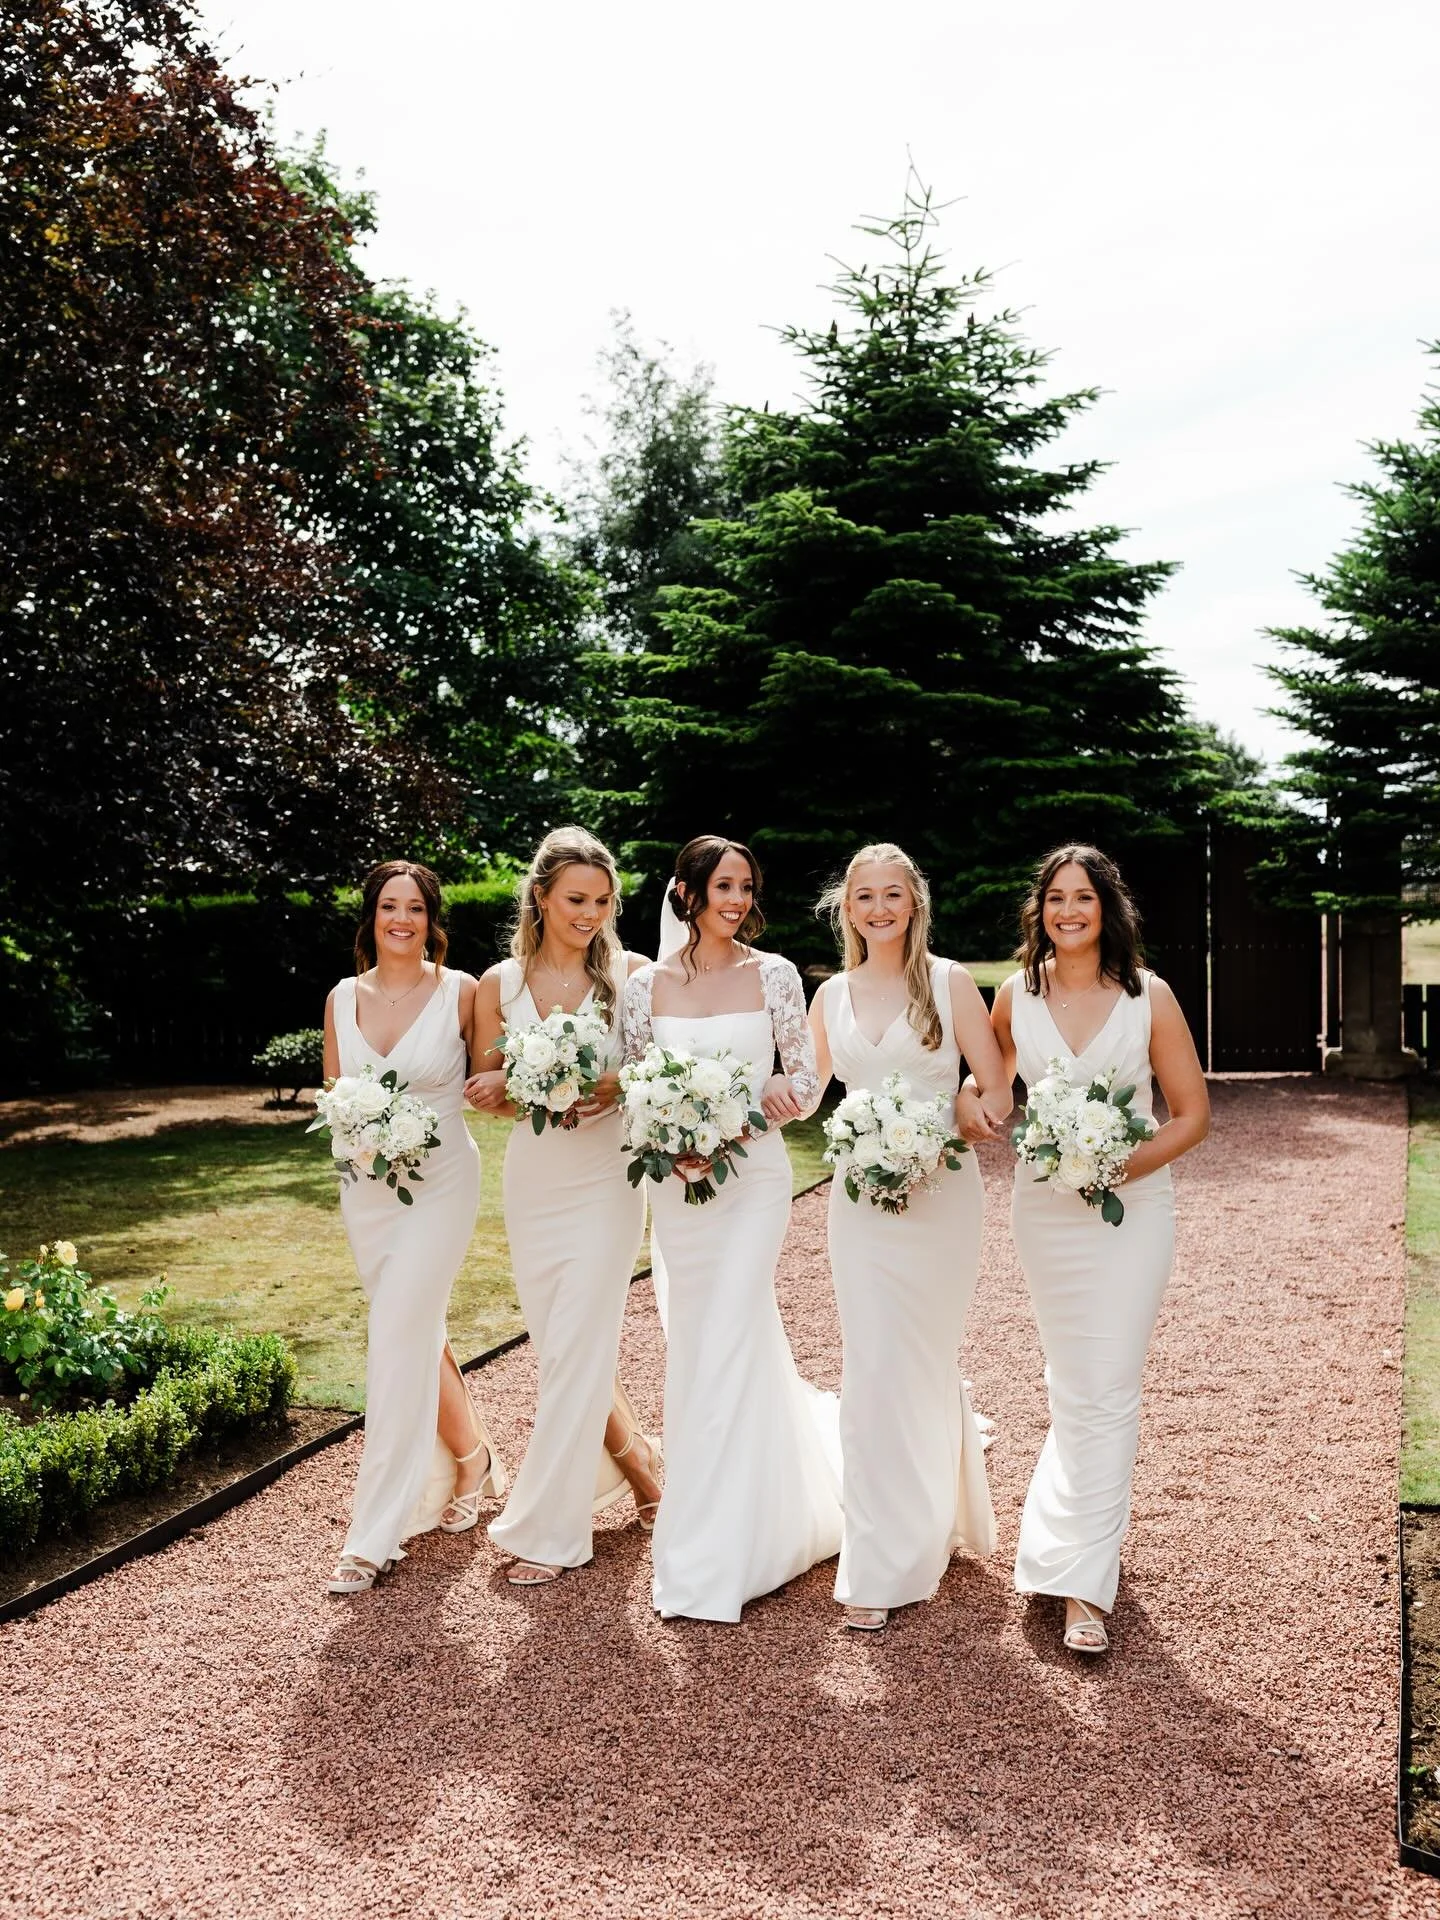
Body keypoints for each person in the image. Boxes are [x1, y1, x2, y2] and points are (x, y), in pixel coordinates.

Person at [957, 844, 1209, 1653]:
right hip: (1047, 1214)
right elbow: (987, 1084)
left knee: (1110, 1382)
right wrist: (970, 1105)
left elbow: (1190, 1116)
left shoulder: (1148, 997)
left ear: (1107, 911)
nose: (1069, 912)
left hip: (1133, 1211)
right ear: (1042, 912)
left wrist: (1114, 1164)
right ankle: (1074, 1545)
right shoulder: (1013, 997)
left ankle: (1082, 1589)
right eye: (1056, 899)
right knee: (1072, 1381)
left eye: (1084, 900)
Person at [621, 836, 842, 1622]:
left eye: (746, 887)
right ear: (686, 892)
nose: (737, 900)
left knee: (731, 1327)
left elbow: (810, 1083)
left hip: (754, 1182)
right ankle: (735, 1512)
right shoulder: (644, 987)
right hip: (680, 1191)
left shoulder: (774, 973)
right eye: (722, 886)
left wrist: (771, 1101)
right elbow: (640, 1089)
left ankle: (720, 1541)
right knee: (698, 1340)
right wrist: (672, 1141)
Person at [810, 844, 1011, 1631]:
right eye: (866, 897)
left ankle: (929, 1518)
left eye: (894, 895)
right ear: (847, 908)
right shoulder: (829, 995)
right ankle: (879, 1553)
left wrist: (966, 1106)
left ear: (915, 903)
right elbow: (804, 1092)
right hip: (859, 1201)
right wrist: (716, 1106)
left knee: (921, 1357)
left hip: (943, 1195)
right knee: (870, 1361)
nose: (881, 909)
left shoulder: (951, 982)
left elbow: (995, 1084)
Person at [465, 827, 662, 1585]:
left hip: (610, 1179)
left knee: (580, 1346)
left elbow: (654, 1074)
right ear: (541, 896)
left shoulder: (633, 976)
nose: (591, 914)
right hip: (536, 1181)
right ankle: (643, 1471)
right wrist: (507, 1091)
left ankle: (551, 1528)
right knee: (560, 1348)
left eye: (603, 901)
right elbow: (489, 1090)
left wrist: (609, 1086)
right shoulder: (499, 984)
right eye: (577, 899)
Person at [323, 860, 505, 1596]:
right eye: (389, 907)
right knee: (411, 1328)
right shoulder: (341, 997)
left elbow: (493, 1085)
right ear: (370, 917)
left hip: (441, 1185)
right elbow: (335, 1094)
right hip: (366, 1189)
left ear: (433, 920)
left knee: (396, 1333)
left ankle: (374, 1534)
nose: (402, 919)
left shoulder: (462, 992)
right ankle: (472, 1457)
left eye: (416, 909)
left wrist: (497, 1083)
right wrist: (359, 1128)